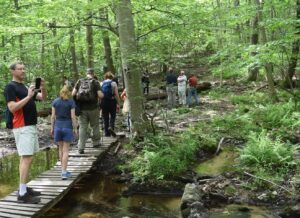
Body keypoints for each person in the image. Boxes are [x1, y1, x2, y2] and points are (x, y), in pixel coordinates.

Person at [4, 62, 47, 203]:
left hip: (30, 125)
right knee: (26, 158)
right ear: (12, 71)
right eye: (20, 69)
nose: (23, 71)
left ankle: (23, 188)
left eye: (24, 68)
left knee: (27, 157)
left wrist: (43, 88)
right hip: (22, 126)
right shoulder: (10, 87)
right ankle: (22, 194)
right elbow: (12, 108)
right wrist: (28, 96)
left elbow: (42, 97)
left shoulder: (24, 87)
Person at [72, 68, 103, 154]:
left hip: (82, 109)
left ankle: (81, 147)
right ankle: (96, 143)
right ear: (93, 74)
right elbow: (100, 95)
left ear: (86, 73)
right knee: (95, 125)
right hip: (93, 108)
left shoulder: (79, 81)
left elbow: (73, 94)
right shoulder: (95, 82)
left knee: (82, 127)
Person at [51, 85, 78, 180]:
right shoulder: (71, 102)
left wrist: (52, 128)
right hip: (67, 127)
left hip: (57, 127)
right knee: (66, 151)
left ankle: (63, 170)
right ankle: (63, 172)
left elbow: (53, 116)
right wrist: (75, 129)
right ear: (69, 92)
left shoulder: (55, 101)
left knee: (60, 149)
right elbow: (73, 117)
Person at [101, 72, 121, 137]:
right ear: (112, 77)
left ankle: (106, 133)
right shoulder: (113, 83)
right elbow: (116, 94)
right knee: (113, 116)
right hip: (112, 101)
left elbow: (100, 95)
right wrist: (118, 103)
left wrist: (99, 104)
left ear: (105, 77)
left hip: (104, 102)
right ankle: (111, 128)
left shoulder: (101, 83)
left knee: (105, 117)